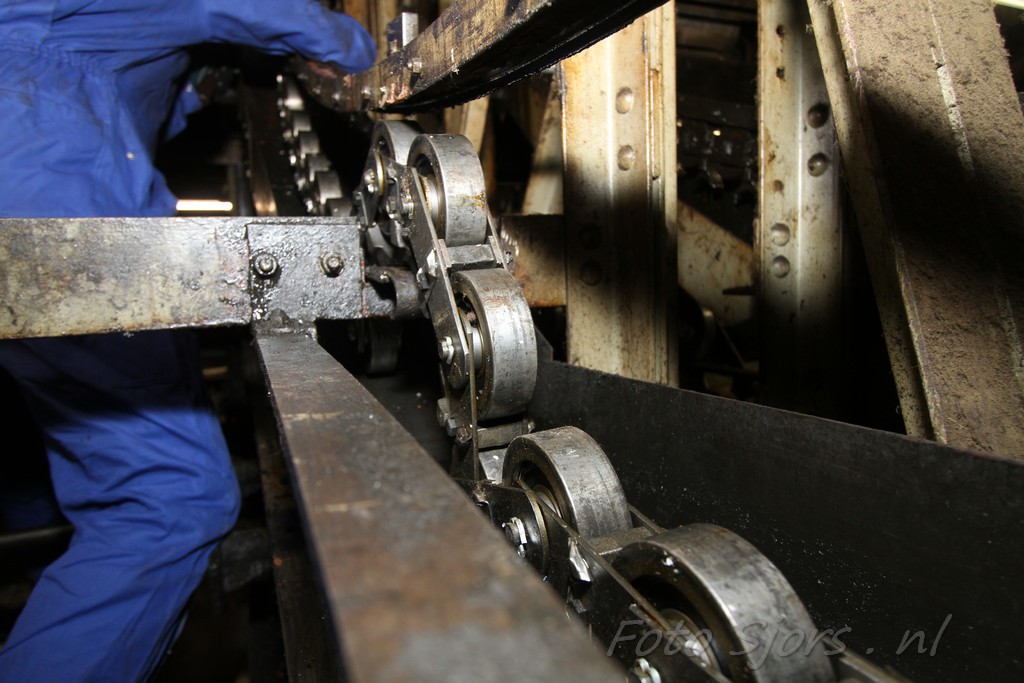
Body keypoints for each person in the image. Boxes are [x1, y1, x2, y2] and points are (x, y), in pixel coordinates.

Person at [0, 2, 374, 680]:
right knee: (169, 499)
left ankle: (60, 594)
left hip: (31, 142)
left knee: (40, 450)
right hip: (41, 171)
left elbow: (115, 77)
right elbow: (265, 13)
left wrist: (197, 90)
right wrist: (369, 54)